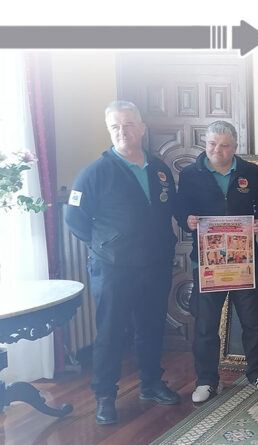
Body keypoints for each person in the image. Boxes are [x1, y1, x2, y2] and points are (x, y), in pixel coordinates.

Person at [65, 100, 179, 425]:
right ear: (109, 130)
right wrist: (105, 245)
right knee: (111, 332)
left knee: (151, 326)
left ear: (142, 128)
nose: (122, 131)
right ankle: (105, 396)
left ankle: (151, 384)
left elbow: (165, 209)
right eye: (115, 126)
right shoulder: (94, 173)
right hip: (113, 268)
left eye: (128, 124)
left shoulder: (158, 169)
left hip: (155, 264)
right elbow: (75, 220)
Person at [174, 120, 258, 404]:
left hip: (244, 261)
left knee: (253, 321)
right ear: (205, 144)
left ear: (235, 147)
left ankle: (257, 373)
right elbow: (181, 207)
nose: (217, 149)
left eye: (224, 145)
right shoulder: (191, 173)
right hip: (206, 263)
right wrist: (187, 220)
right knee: (206, 325)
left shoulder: (249, 172)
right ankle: (206, 380)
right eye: (212, 144)